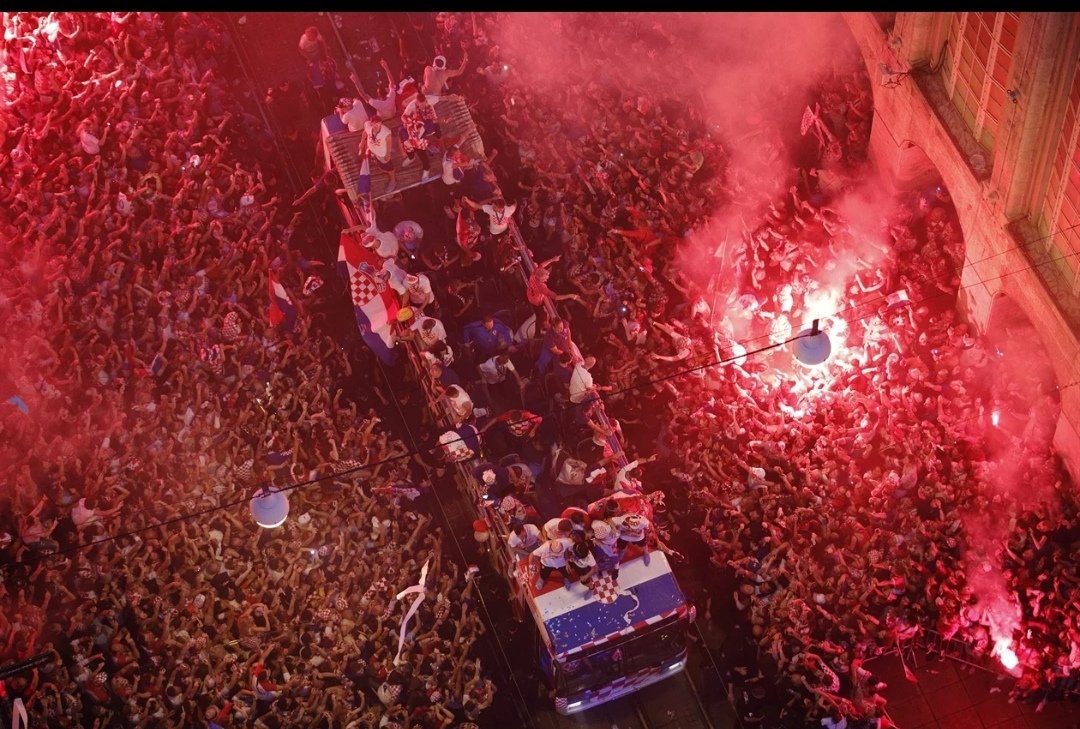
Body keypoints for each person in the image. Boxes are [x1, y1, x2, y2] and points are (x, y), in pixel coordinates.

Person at [359, 114, 396, 193]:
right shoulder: (367, 125)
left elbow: (389, 143)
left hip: (381, 153)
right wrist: (362, 142)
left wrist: (387, 154)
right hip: (372, 151)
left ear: (381, 123)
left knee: (389, 167)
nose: (376, 125)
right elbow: (365, 132)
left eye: (378, 123)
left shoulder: (386, 132)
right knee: (379, 164)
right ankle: (379, 164)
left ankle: (393, 180)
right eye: (373, 123)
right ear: (370, 123)